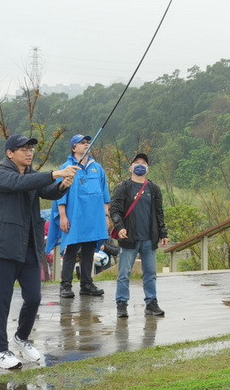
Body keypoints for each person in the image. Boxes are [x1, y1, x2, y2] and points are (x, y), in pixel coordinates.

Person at [0, 134, 78, 369]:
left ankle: (22, 338)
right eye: (24, 149)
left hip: (29, 245)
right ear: (10, 153)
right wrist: (55, 173)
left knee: (35, 297)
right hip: (5, 245)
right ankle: (1, 352)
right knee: (3, 301)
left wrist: (62, 186)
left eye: (31, 149)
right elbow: (21, 184)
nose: (29, 152)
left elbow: (47, 191)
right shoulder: (2, 175)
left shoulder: (30, 174)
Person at [48, 134, 111, 299]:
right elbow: (60, 193)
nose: (86, 145)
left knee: (89, 250)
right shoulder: (67, 167)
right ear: (74, 148)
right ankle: (66, 285)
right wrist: (63, 216)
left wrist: (106, 215)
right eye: (81, 143)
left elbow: (105, 194)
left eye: (87, 142)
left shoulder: (97, 168)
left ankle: (86, 284)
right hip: (75, 216)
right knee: (71, 249)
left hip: (94, 218)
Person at [110, 152, 168, 318]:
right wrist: (119, 226)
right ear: (131, 167)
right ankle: (121, 304)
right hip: (129, 238)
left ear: (148, 169)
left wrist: (163, 233)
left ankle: (151, 303)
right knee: (124, 273)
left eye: (144, 163)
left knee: (150, 273)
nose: (140, 165)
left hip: (149, 238)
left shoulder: (153, 189)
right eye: (137, 162)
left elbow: (159, 213)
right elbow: (115, 209)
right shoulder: (123, 187)